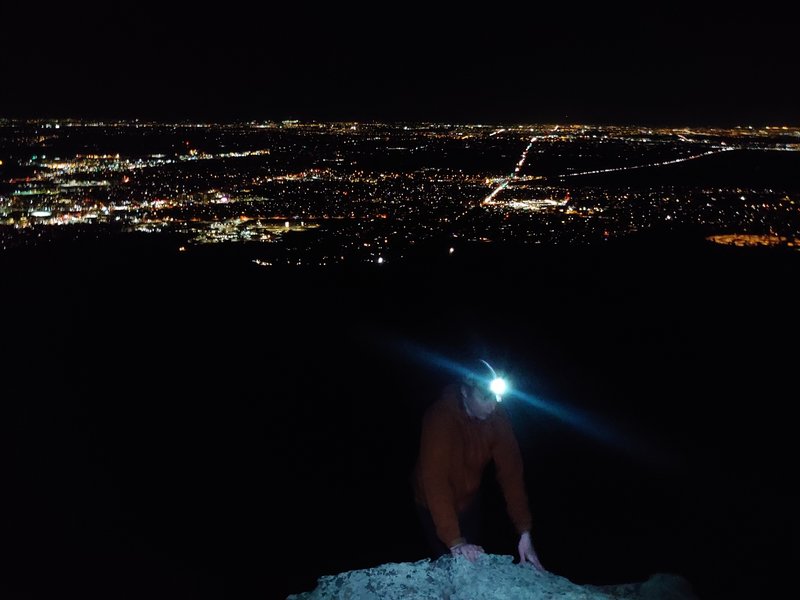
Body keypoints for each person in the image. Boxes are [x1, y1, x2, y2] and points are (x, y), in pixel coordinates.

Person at [412, 358, 545, 570]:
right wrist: (455, 541)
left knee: (474, 559)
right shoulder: (440, 418)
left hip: (469, 501)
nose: (493, 405)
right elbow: (434, 480)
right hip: (431, 503)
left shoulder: (497, 417)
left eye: (497, 397)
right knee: (450, 562)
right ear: (465, 392)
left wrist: (524, 531)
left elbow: (511, 475)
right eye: (485, 397)